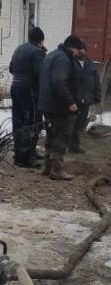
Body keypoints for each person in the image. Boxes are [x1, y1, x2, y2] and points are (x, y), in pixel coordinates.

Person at [38, 35, 86, 180]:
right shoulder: (63, 59)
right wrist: (70, 102)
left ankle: (47, 167)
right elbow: (59, 81)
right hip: (59, 106)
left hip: (47, 103)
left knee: (51, 134)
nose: (78, 53)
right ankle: (57, 170)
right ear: (73, 47)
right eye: (78, 49)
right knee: (61, 136)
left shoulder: (51, 55)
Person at [8, 27, 46, 168]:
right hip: (29, 90)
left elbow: (12, 68)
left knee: (18, 121)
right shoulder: (37, 52)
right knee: (33, 121)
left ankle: (19, 154)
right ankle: (28, 157)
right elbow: (40, 73)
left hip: (15, 87)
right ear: (41, 40)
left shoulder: (19, 48)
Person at [68, 50, 101, 153]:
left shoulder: (90, 64)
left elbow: (96, 81)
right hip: (74, 99)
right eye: (79, 49)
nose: (81, 52)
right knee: (70, 123)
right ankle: (64, 146)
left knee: (80, 123)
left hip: (86, 99)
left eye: (83, 49)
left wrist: (97, 96)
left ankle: (75, 146)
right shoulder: (70, 62)